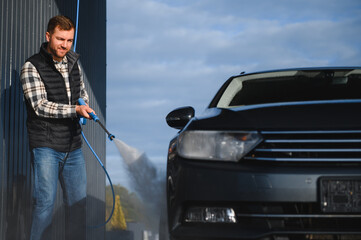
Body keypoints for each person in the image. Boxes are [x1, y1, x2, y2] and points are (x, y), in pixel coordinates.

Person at [20, 15, 94, 240]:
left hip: (73, 147)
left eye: (69, 40)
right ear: (48, 36)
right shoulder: (31, 67)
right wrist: (74, 110)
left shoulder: (74, 63)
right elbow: (40, 106)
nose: (65, 45)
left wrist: (83, 103)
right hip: (46, 147)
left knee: (78, 206)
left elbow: (82, 92)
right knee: (44, 205)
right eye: (61, 39)